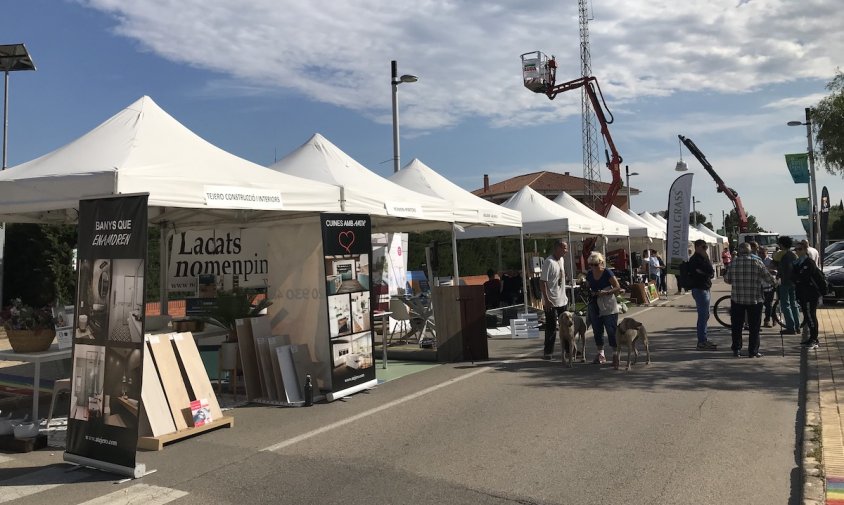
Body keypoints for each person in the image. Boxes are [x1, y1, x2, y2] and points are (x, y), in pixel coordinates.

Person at [724, 242, 777, 358]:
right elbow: (769, 279)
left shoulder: (734, 262)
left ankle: (737, 350)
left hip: (737, 299)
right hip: (755, 299)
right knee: (754, 327)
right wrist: (775, 283)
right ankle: (753, 351)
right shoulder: (757, 262)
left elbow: (727, 279)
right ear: (750, 251)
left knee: (737, 326)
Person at [585, 251, 621, 366]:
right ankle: (601, 354)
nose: (593, 267)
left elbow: (617, 287)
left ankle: (615, 354)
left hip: (608, 304)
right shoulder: (590, 274)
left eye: (596, 264)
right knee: (597, 330)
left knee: (611, 330)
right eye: (591, 264)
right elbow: (588, 286)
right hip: (594, 304)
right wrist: (586, 288)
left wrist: (606, 292)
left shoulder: (607, 272)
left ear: (601, 262)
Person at [793, 243, 826, 349]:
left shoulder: (808, 262)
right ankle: (812, 338)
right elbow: (795, 277)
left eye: (799, 249)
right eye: (796, 249)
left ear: (805, 250)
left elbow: (803, 277)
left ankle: (814, 339)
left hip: (810, 294)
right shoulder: (798, 263)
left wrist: (797, 277)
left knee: (811, 316)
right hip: (803, 293)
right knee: (808, 316)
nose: (797, 251)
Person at [540, 240, 569, 359]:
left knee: (566, 326)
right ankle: (548, 352)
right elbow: (542, 282)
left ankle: (569, 350)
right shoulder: (549, 262)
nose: (566, 251)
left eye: (566, 248)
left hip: (562, 299)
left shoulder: (561, 260)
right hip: (551, 300)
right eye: (564, 248)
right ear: (557, 248)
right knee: (551, 327)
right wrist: (546, 300)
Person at [687, 239, 717, 350]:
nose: (705, 249)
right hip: (700, 289)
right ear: (697, 247)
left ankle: (703, 339)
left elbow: (711, 272)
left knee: (705, 315)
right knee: (703, 316)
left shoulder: (703, 258)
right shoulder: (695, 259)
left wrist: (705, 270)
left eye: (706, 247)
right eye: (703, 247)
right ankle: (701, 341)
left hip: (704, 288)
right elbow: (708, 271)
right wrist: (706, 271)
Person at [773, 235, 800, 334]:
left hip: (784, 281)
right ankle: (797, 326)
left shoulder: (780, 254)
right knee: (794, 304)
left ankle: (790, 327)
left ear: (782, 244)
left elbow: (773, 263)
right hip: (793, 282)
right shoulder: (794, 255)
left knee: (785, 304)